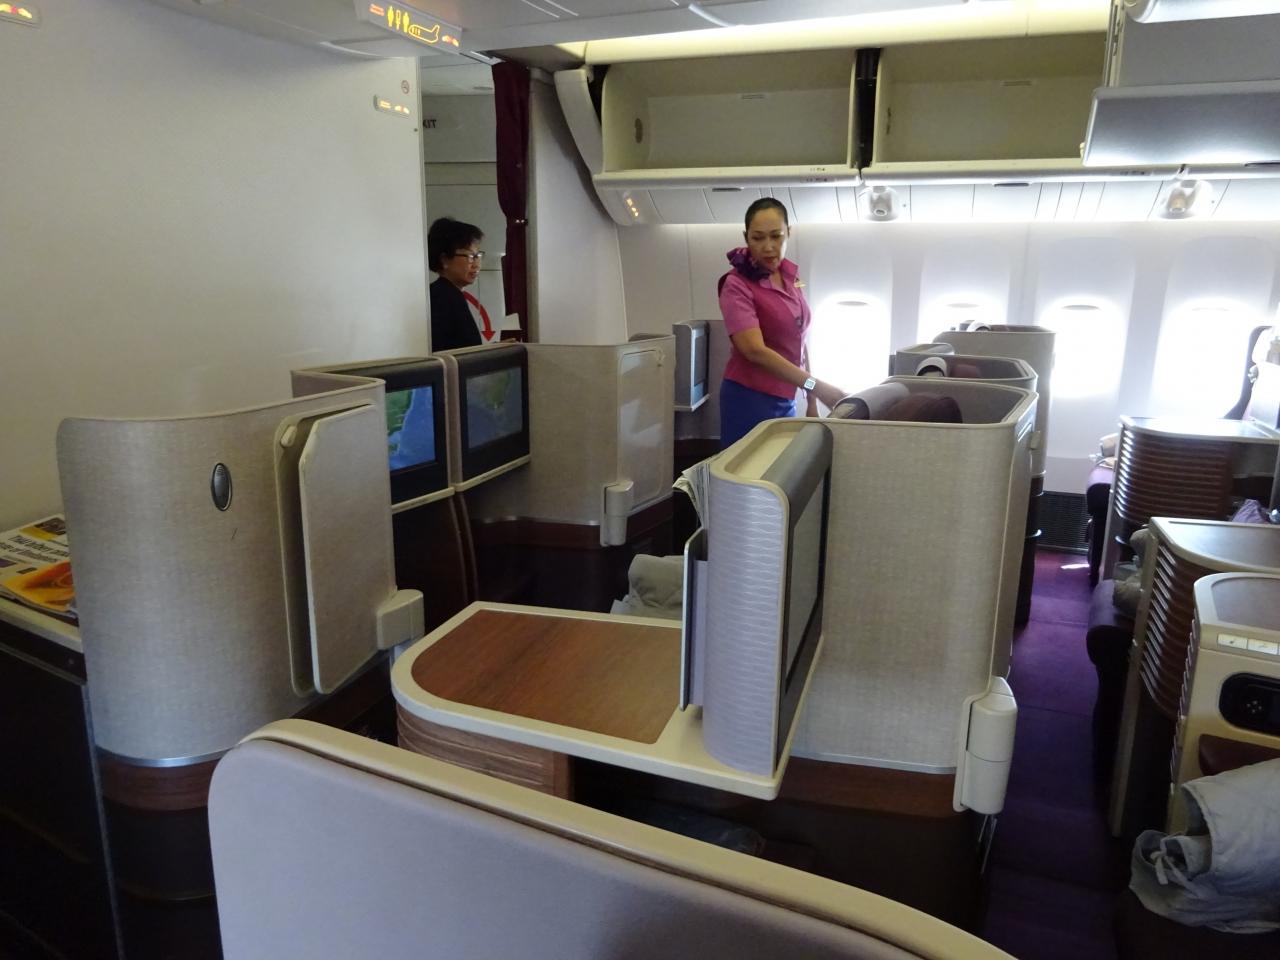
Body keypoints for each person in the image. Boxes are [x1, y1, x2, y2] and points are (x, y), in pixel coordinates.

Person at [717, 197, 845, 449]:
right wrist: (818, 387)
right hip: (749, 398)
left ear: (789, 233)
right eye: (758, 238)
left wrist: (811, 400)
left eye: (776, 236)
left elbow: (800, 339)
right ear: (746, 238)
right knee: (750, 469)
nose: (768, 247)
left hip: (786, 397)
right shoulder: (736, 285)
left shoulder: (790, 277)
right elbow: (754, 351)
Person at [428, 217, 486, 351]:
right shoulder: (444, 297)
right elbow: (461, 353)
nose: (477, 265)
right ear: (444, 260)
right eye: (470, 257)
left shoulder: (444, 292)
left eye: (478, 256)